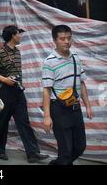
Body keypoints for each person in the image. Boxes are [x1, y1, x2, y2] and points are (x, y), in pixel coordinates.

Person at [0, 25, 49, 163]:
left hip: (18, 91)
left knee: (24, 122)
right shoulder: (0, 52)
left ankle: (33, 153)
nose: (20, 36)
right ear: (12, 36)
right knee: (2, 122)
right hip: (5, 91)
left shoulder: (17, 51)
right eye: (18, 34)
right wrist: (4, 80)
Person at [42, 25, 93, 165]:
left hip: (75, 107)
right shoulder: (49, 62)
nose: (66, 42)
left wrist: (88, 106)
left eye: (69, 38)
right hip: (59, 109)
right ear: (55, 40)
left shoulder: (75, 57)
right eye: (62, 39)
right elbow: (46, 90)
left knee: (80, 146)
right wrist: (46, 116)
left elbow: (81, 83)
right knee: (66, 151)